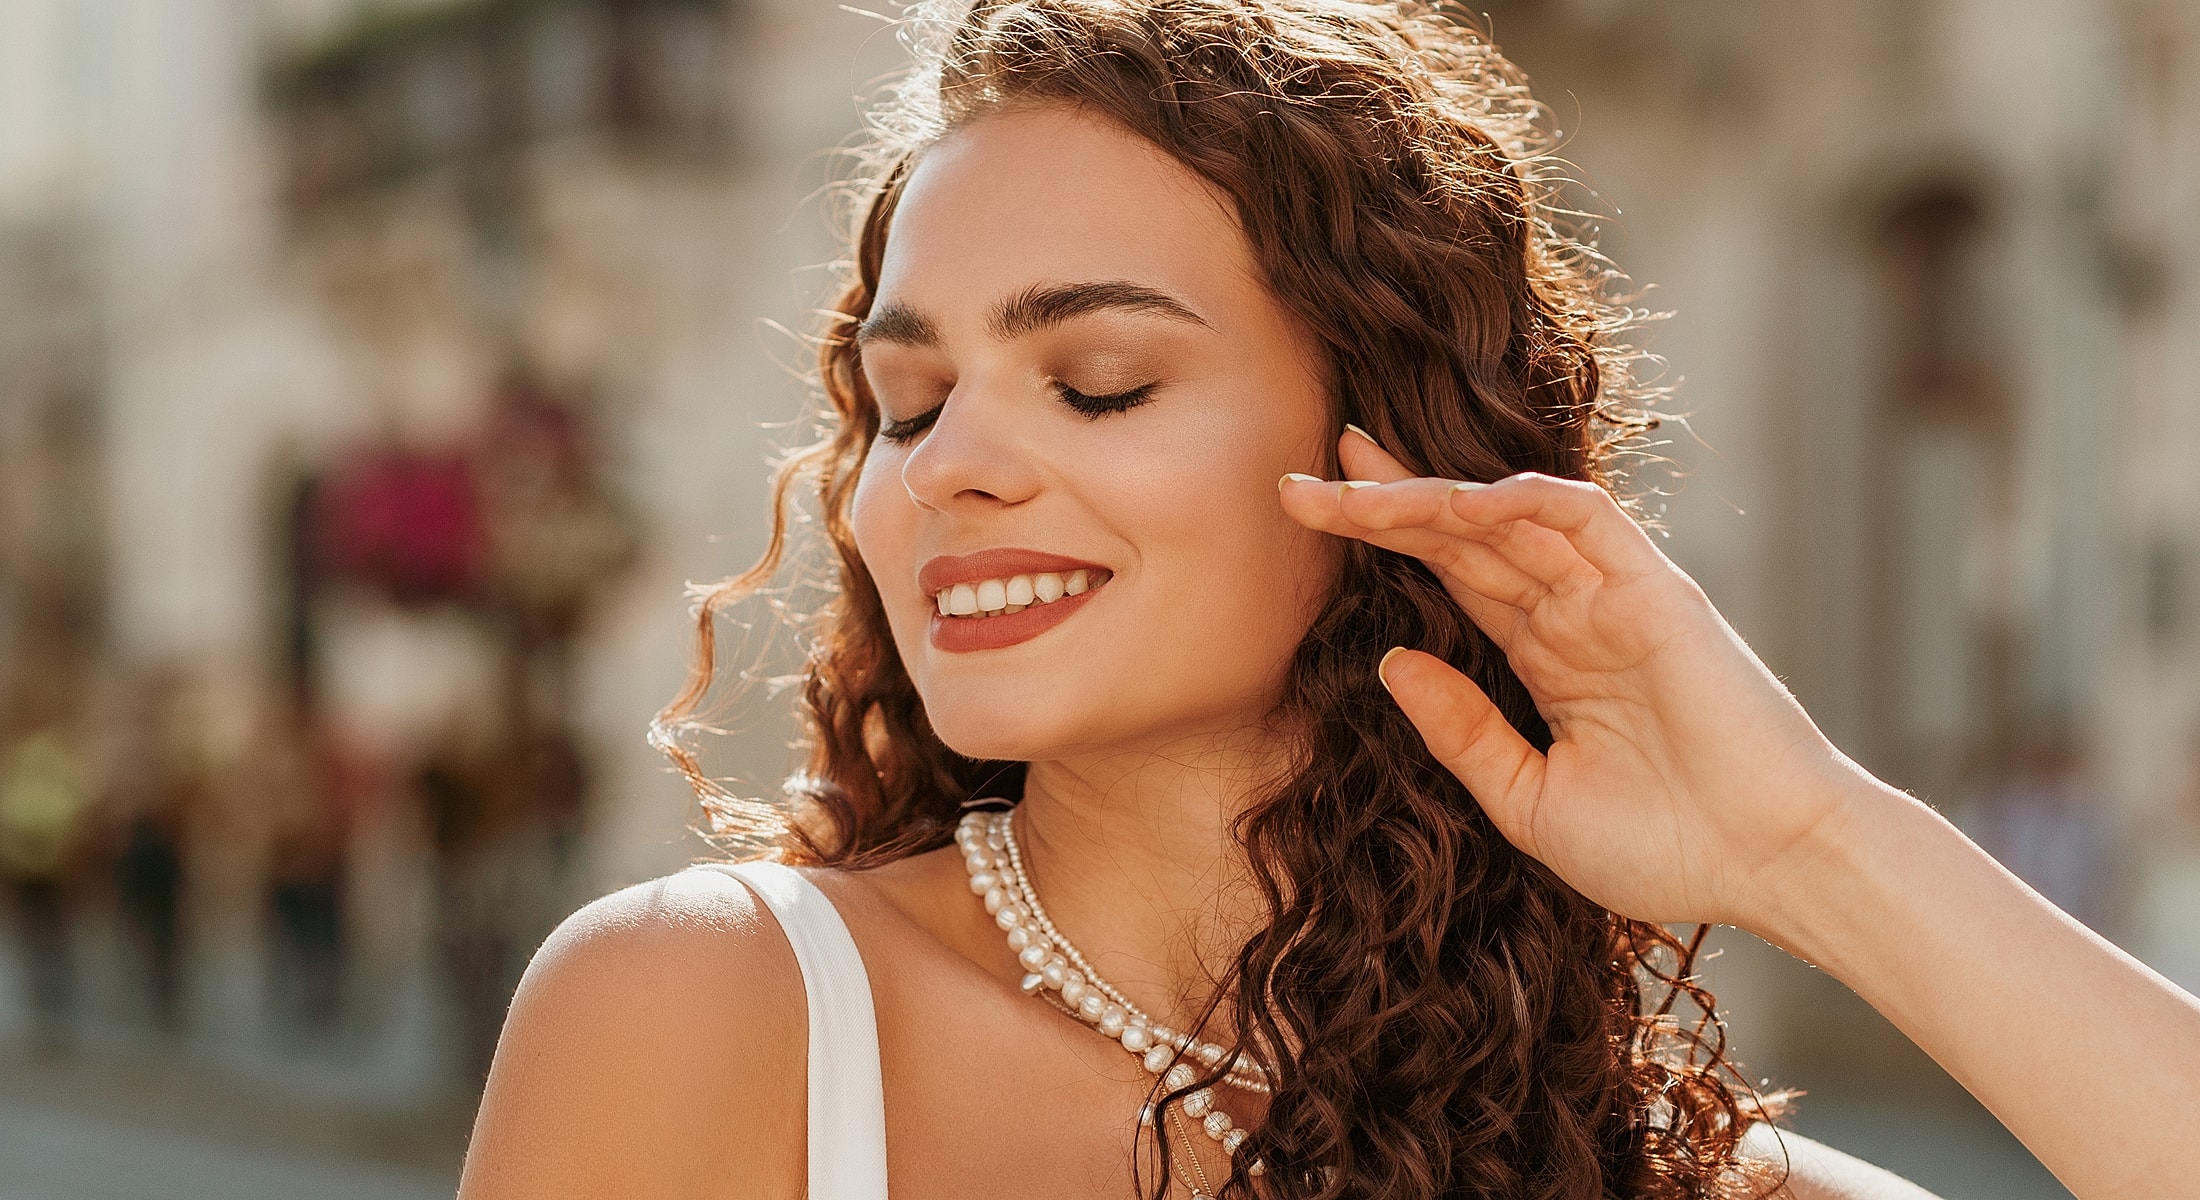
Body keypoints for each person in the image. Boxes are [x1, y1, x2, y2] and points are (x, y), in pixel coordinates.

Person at [455, 3, 2200, 1198]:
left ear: (1390, 449)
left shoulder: (1666, 1170)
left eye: (1102, 379)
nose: (944, 467)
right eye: (906, 401)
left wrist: (1810, 845)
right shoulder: (723, 1008)